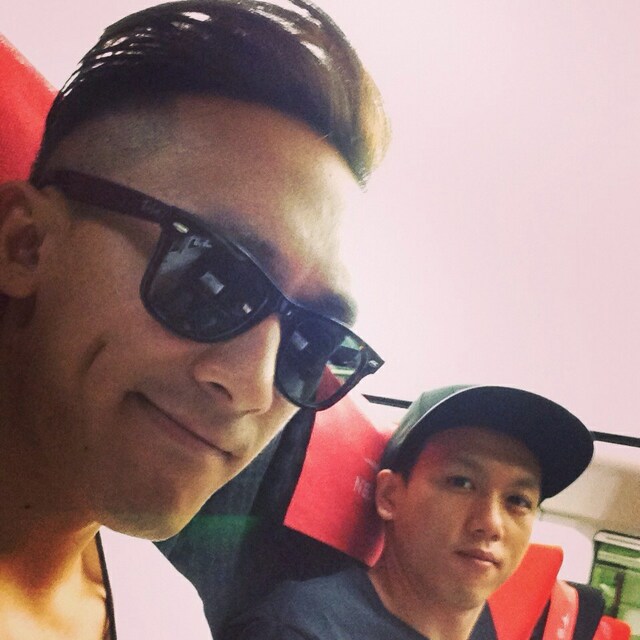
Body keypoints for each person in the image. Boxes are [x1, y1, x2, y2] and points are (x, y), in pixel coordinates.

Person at [0, 1, 390, 638]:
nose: (252, 386)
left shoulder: (170, 616)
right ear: (26, 245)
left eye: (309, 343)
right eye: (211, 274)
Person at [223, 384, 594, 640]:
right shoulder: (300, 630)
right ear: (389, 497)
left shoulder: (483, 628)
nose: (491, 524)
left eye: (518, 500)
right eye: (461, 482)